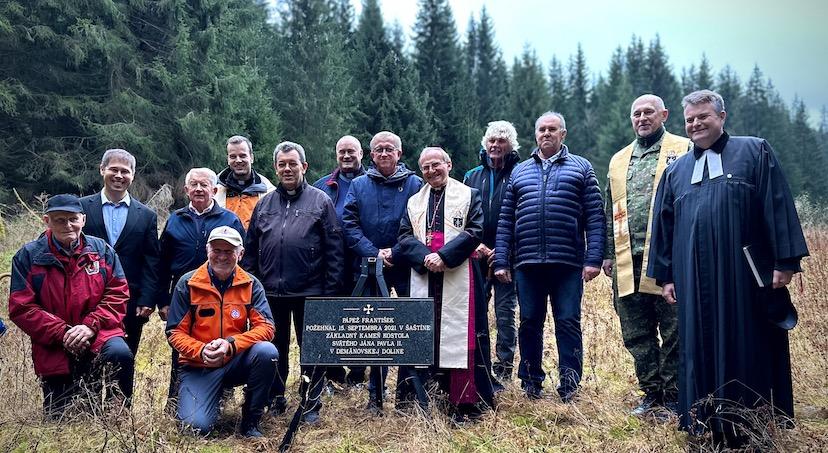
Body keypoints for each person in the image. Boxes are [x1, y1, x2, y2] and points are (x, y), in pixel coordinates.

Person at [647, 90, 809, 448]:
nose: (695, 124)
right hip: (693, 278)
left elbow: (777, 204)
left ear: (721, 116)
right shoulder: (676, 171)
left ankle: (752, 424)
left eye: (703, 116)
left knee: (747, 341)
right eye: (689, 120)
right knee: (697, 346)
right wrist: (667, 276)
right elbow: (664, 226)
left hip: (745, 275)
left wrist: (784, 262)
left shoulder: (754, 151)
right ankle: (705, 424)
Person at [494, 112, 605, 402]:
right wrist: (503, 261)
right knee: (529, 321)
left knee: (568, 321)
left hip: (567, 263)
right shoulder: (520, 171)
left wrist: (594, 258)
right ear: (535, 135)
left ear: (563, 134)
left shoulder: (581, 167)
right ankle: (531, 382)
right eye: (542, 129)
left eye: (552, 129)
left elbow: (595, 215)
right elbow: (507, 219)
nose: (547, 134)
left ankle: (570, 384)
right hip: (527, 263)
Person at [242, 141, 344, 424]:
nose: (287, 169)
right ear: (276, 168)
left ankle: (311, 401)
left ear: (304, 167)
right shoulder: (264, 204)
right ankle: (276, 397)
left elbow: (334, 251)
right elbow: (250, 251)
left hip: (310, 291)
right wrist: (252, 288)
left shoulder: (321, 201)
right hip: (270, 293)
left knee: (312, 349)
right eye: (282, 164)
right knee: (274, 349)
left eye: (293, 164)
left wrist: (330, 293)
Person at [9, 194, 134, 417]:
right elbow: (22, 308)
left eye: (73, 219)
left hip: (99, 333)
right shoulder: (28, 256)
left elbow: (119, 293)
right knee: (62, 418)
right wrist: (63, 332)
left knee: (120, 354)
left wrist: (89, 326)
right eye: (59, 220)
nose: (68, 225)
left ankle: (119, 414)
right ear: (46, 220)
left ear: (83, 220)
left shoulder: (102, 251)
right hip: (55, 341)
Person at [602, 95, 689, 416]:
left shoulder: (684, 149)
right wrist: (608, 254)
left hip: (668, 260)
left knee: (674, 330)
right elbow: (609, 210)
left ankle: (674, 396)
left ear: (664, 114)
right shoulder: (619, 159)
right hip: (628, 259)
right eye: (636, 113)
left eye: (648, 112)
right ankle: (652, 392)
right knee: (636, 332)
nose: (642, 118)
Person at [397, 147, 493, 423]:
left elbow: (475, 231)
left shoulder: (468, 195)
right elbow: (404, 235)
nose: (431, 171)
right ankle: (422, 396)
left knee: (461, 337)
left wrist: (445, 257)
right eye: (425, 167)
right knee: (425, 334)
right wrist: (426, 258)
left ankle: (464, 402)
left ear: (448, 164)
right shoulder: (414, 201)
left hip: (459, 273)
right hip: (425, 275)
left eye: (435, 165)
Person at [166, 226, 277, 437]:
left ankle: (251, 421)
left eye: (229, 251)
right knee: (195, 428)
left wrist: (231, 345)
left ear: (240, 254)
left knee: (267, 352)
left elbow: (266, 327)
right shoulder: (187, 283)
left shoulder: (252, 284)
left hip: (235, 360)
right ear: (207, 251)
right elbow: (174, 332)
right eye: (217, 250)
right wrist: (201, 351)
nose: (222, 256)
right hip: (199, 365)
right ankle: (210, 399)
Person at [341, 131, 423, 413]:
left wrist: (395, 252)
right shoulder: (359, 184)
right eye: (379, 150)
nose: (384, 153)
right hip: (370, 266)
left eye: (390, 149)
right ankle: (375, 396)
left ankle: (407, 395)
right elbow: (349, 224)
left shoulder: (415, 184)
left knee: (409, 329)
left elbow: (419, 225)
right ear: (371, 155)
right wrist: (374, 252)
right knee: (375, 332)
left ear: (399, 153)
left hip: (406, 267)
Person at [158, 168, 245, 410]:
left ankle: (222, 398)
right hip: (183, 293)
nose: (198, 189)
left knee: (222, 341)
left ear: (215, 191)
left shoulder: (230, 220)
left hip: (223, 292)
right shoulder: (175, 219)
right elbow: (162, 263)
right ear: (186, 190)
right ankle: (176, 400)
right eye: (193, 184)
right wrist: (162, 300)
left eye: (204, 185)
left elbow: (243, 261)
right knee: (181, 344)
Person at [80, 149, 161, 356]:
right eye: (113, 169)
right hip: (87, 298)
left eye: (125, 171)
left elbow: (152, 260)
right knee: (87, 360)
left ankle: (122, 391)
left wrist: (147, 299)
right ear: (102, 170)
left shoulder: (146, 216)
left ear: (132, 175)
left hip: (129, 302)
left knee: (126, 358)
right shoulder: (81, 209)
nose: (118, 176)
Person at [463, 121, 521, 391]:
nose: (496, 145)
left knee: (505, 312)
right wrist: (477, 246)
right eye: (492, 141)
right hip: (475, 255)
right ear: (485, 144)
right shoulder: (471, 176)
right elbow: (461, 217)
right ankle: (478, 363)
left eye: (502, 141)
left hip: (508, 256)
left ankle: (505, 366)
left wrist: (505, 247)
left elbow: (525, 217)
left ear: (511, 146)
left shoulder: (521, 174)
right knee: (475, 311)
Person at [313, 135, 367, 389]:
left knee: (360, 317)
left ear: (361, 154)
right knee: (332, 315)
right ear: (336, 155)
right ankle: (333, 373)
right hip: (329, 262)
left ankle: (357, 373)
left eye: (351, 152)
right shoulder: (322, 186)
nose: (346, 156)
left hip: (361, 261)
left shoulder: (372, 183)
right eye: (342, 152)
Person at [215, 135, 275, 230]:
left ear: (251, 158)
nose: (238, 160)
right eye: (233, 156)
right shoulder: (215, 191)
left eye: (242, 155)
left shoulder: (269, 191)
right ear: (228, 159)